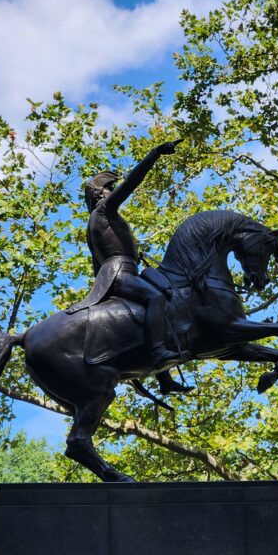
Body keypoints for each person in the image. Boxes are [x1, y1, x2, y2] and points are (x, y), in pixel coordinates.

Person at [68, 140, 192, 392]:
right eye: (108, 190)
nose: (111, 193)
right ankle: (159, 352)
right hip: (119, 272)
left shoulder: (94, 223)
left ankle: (164, 379)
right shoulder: (103, 211)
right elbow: (131, 183)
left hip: (116, 272)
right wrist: (155, 154)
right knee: (155, 298)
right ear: (99, 195)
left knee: (161, 296)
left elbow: (96, 266)